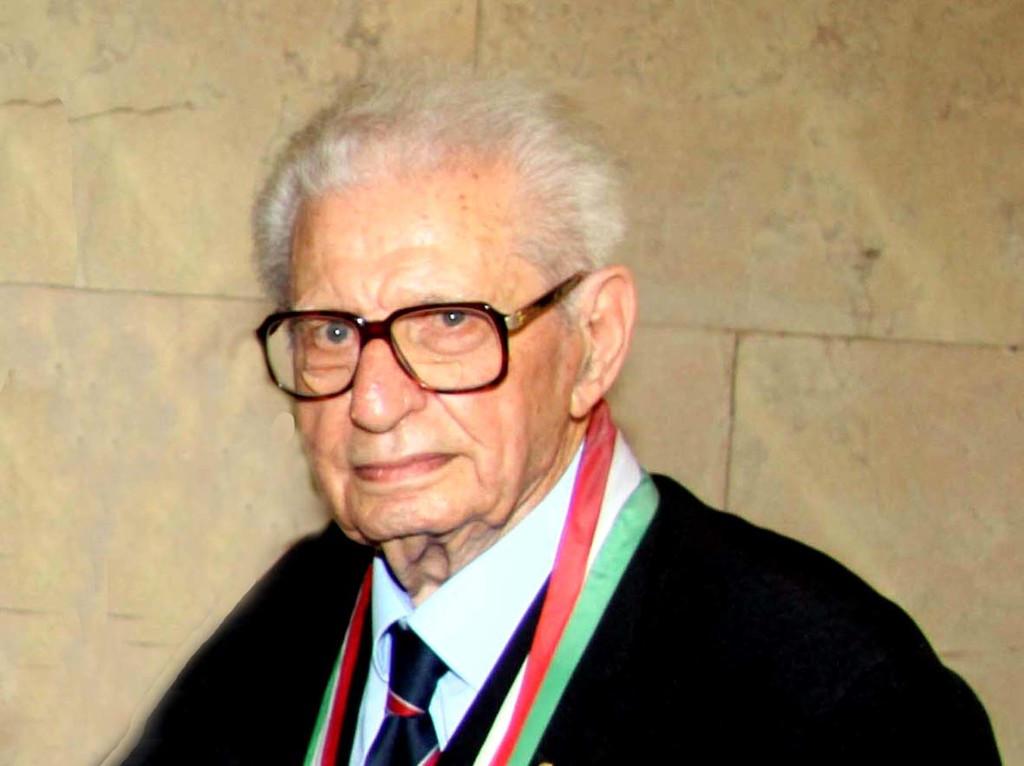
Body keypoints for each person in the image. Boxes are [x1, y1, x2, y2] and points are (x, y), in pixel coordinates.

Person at [118, 69, 1001, 765]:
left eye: (449, 322)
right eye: (332, 332)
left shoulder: (839, 702)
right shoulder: (286, 623)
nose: (374, 402)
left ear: (595, 341)